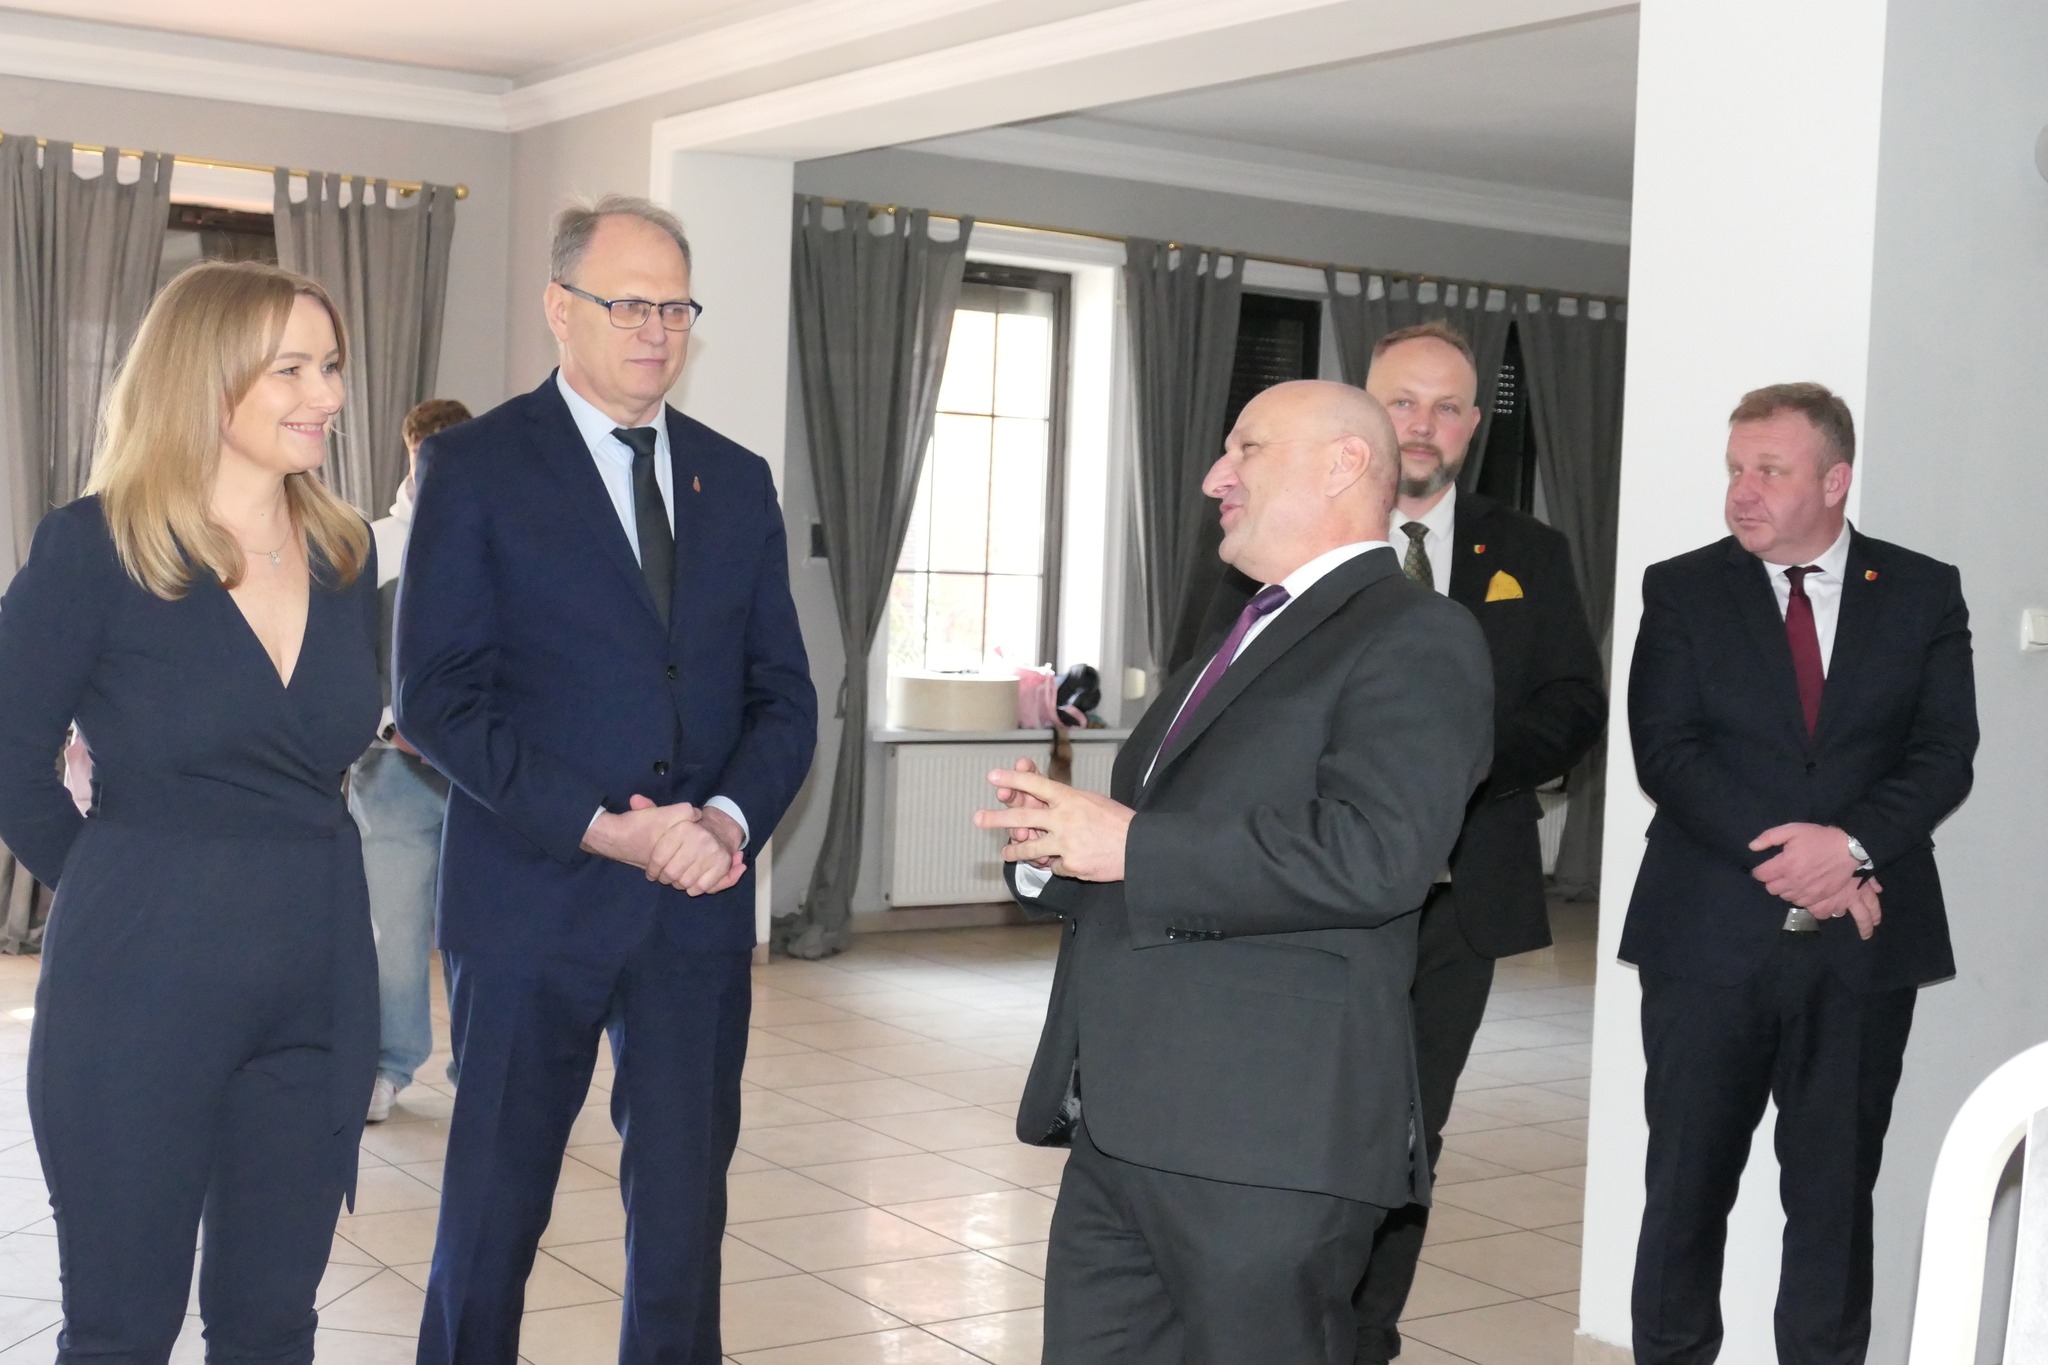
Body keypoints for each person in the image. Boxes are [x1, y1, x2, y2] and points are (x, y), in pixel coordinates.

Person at [976, 378, 1493, 1363]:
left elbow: (1378, 854)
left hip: (1266, 1138)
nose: (1216, 476)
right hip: (1127, 1123)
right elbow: (1170, 840)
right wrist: (1059, 856)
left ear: (1343, 465)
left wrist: (1130, 846)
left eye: (1246, 449)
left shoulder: (1417, 634)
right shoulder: (1248, 627)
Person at [398, 195, 815, 1364]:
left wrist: (722, 822)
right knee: (493, 1211)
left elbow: (784, 694)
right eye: (627, 303)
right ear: (559, 307)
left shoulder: (735, 480)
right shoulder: (475, 467)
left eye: (674, 307)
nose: (654, 330)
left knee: (682, 1218)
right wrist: (598, 826)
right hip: (531, 899)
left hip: (694, 907)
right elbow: (436, 696)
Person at [0, 262, 380, 1361]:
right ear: (206, 380)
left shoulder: (344, 555)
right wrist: (117, 880)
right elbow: (10, 754)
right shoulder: (95, 545)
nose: (327, 395)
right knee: (123, 1328)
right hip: (139, 985)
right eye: (292, 370)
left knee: (272, 1323)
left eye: (331, 366)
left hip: (316, 974)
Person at [1622, 382, 1976, 1364]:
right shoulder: (1681, 589)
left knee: (1834, 1198)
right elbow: (1667, 752)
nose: (1742, 490)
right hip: (1705, 940)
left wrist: (1850, 847)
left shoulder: (1920, 590)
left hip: (1863, 948)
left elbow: (1943, 753)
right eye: (1735, 468)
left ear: (1833, 480)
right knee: (1683, 1188)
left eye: (1768, 470)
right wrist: (1802, 861)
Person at [1349, 322, 1606, 1361]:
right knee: (1312, 1120)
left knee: (1413, 1127)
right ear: (1365, 409)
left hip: (1460, 900)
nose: (1423, 425)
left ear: (1473, 426)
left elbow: (1574, 700)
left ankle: (1367, 1333)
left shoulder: (1528, 552)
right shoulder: (1303, 528)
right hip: (1319, 892)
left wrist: (1468, 768)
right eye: (1402, 402)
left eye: (1448, 407)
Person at [350, 397, 472, 1122]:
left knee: (478, 929)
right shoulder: (372, 546)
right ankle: (389, 1067)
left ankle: (478, 1069)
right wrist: (391, 726)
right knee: (394, 932)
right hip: (392, 771)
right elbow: (348, 657)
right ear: (412, 456)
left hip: (484, 777)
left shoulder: (501, 535)